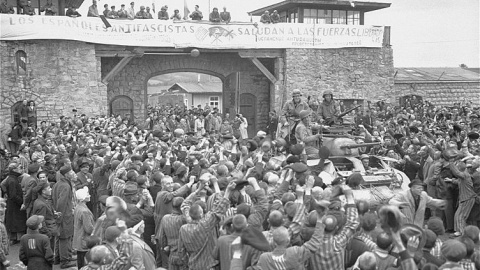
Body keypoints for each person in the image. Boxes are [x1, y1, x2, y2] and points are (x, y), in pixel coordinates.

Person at [177, 179, 235, 270]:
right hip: (209, 266)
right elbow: (218, 210)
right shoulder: (205, 224)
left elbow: (185, 205)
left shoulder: (183, 228)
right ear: (201, 214)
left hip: (193, 266)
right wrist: (227, 191)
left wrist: (198, 190)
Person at [52, 165, 76, 268]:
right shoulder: (65, 186)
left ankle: (58, 258)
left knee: (59, 237)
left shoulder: (58, 184)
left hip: (61, 214)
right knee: (65, 238)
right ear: (66, 174)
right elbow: (61, 203)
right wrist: (59, 217)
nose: (73, 173)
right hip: (64, 215)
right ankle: (65, 260)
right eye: (71, 172)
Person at [4, 163, 27, 245]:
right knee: (16, 221)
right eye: (20, 168)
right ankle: (14, 238)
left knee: (15, 221)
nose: (21, 169)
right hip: (15, 205)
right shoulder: (12, 180)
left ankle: (15, 238)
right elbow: (13, 195)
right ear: (14, 169)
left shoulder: (13, 178)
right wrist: (21, 201)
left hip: (13, 204)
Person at [31, 181, 57, 250]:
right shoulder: (41, 204)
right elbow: (41, 221)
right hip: (47, 233)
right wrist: (48, 234)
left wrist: (55, 215)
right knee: (48, 253)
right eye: (48, 188)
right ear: (43, 191)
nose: (51, 189)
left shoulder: (44, 201)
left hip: (49, 231)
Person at [73, 187, 94, 269]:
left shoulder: (78, 207)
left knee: (80, 263)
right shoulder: (85, 211)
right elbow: (88, 229)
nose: (89, 195)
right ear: (83, 198)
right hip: (84, 241)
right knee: (84, 265)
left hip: (78, 240)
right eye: (87, 194)